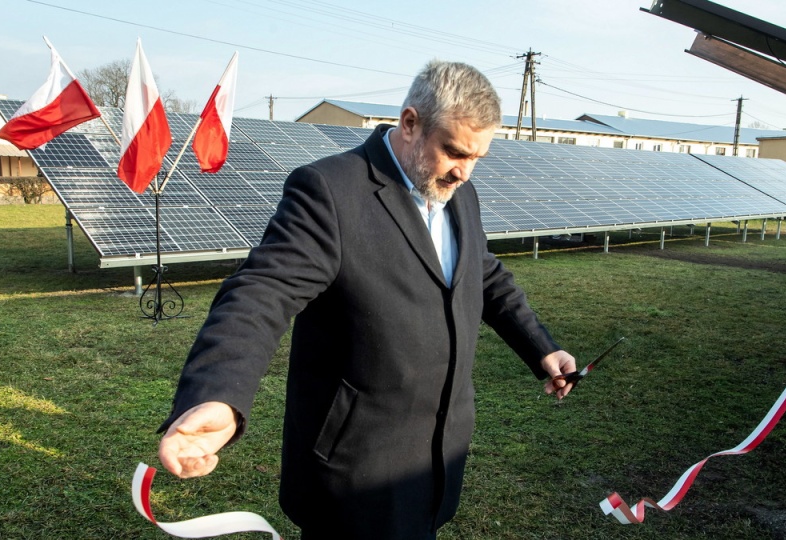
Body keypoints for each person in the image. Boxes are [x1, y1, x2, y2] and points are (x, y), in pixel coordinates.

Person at [157, 59, 577, 539]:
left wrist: (540, 346)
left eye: (477, 157)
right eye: (455, 152)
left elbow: (483, 272)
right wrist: (218, 394)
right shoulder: (330, 192)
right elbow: (259, 293)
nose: (465, 171)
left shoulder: (461, 193)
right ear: (410, 123)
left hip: (436, 463)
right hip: (356, 473)